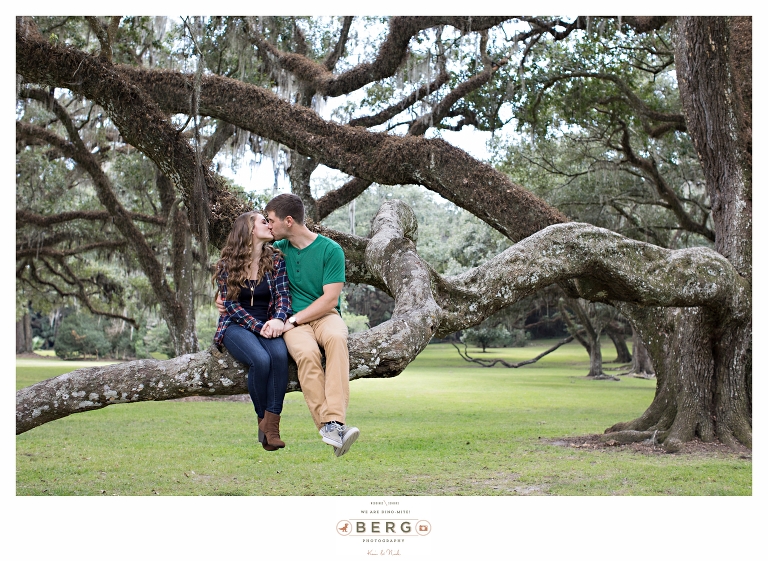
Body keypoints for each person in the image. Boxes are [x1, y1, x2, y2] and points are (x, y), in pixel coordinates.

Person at [217, 194, 360, 457]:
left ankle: (336, 422)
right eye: (266, 222)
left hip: (322, 316)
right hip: (292, 323)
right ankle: (325, 427)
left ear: (289, 221)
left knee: (337, 342)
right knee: (306, 355)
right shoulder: (279, 250)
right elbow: (244, 258)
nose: (269, 225)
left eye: (270, 220)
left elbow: (330, 299)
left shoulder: (331, 250)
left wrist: (288, 320)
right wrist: (222, 294)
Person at [213, 211, 292, 452]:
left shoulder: (276, 260)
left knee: (279, 357)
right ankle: (264, 423)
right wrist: (260, 327)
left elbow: (283, 297)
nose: (269, 225)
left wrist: (278, 320)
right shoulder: (227, 264)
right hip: (236, 326)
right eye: (263, 221)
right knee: (260, 360)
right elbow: (230, 305)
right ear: (248, 229)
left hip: (269, 323)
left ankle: (273, 426)